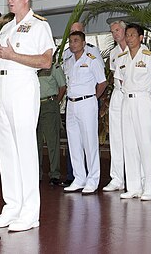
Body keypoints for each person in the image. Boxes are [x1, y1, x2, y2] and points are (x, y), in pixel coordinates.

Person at [0, 0, 56, 233]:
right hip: (2, 86)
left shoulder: (39, 25)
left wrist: (13, 56)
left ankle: (29, 212)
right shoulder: (5, 29)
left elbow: (46, 61)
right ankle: (12, 206)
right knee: (6, 151)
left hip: (24, 87)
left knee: (25, 150)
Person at [117, 23, 151, 201]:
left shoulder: (149, 57)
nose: (129, 38)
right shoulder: (122, 58)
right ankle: (134, 186)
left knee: (146, 144)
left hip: (143, 100)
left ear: (141, 37)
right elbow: (120, 81)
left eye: (132, 35)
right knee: (129, 144)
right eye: (127, 35)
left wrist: (150, 99)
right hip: (126, 100)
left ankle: (150, 187)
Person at [62, 26, 107, 194]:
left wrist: (93, 98)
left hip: (87, 103)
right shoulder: (69, 60)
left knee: (90, 143)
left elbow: (102, 82)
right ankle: (79, 177)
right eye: (71, 42)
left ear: (83, 43)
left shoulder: (92, 59)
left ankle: (93, 179)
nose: (73, 45)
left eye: (76, 41)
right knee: (74, 143)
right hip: (71, 104)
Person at [103, 20, 128, 192]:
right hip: (119, 94)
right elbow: (114, 75)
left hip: (134, 94)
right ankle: (117, 178)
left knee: (134, 139)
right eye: (112, 32)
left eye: (118, 30)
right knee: (116, 138)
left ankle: (138, 179)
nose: (115, 34)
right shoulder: (113, 53)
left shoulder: (139, 50)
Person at [37, 56, 66, 187]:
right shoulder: (33, 66)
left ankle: (54, 174)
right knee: (34, 143)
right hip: (34, 106)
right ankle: (36, 173)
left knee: (52, 141)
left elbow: (62, 86)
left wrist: (55, 102)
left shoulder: (54, 66)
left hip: (49, 104)